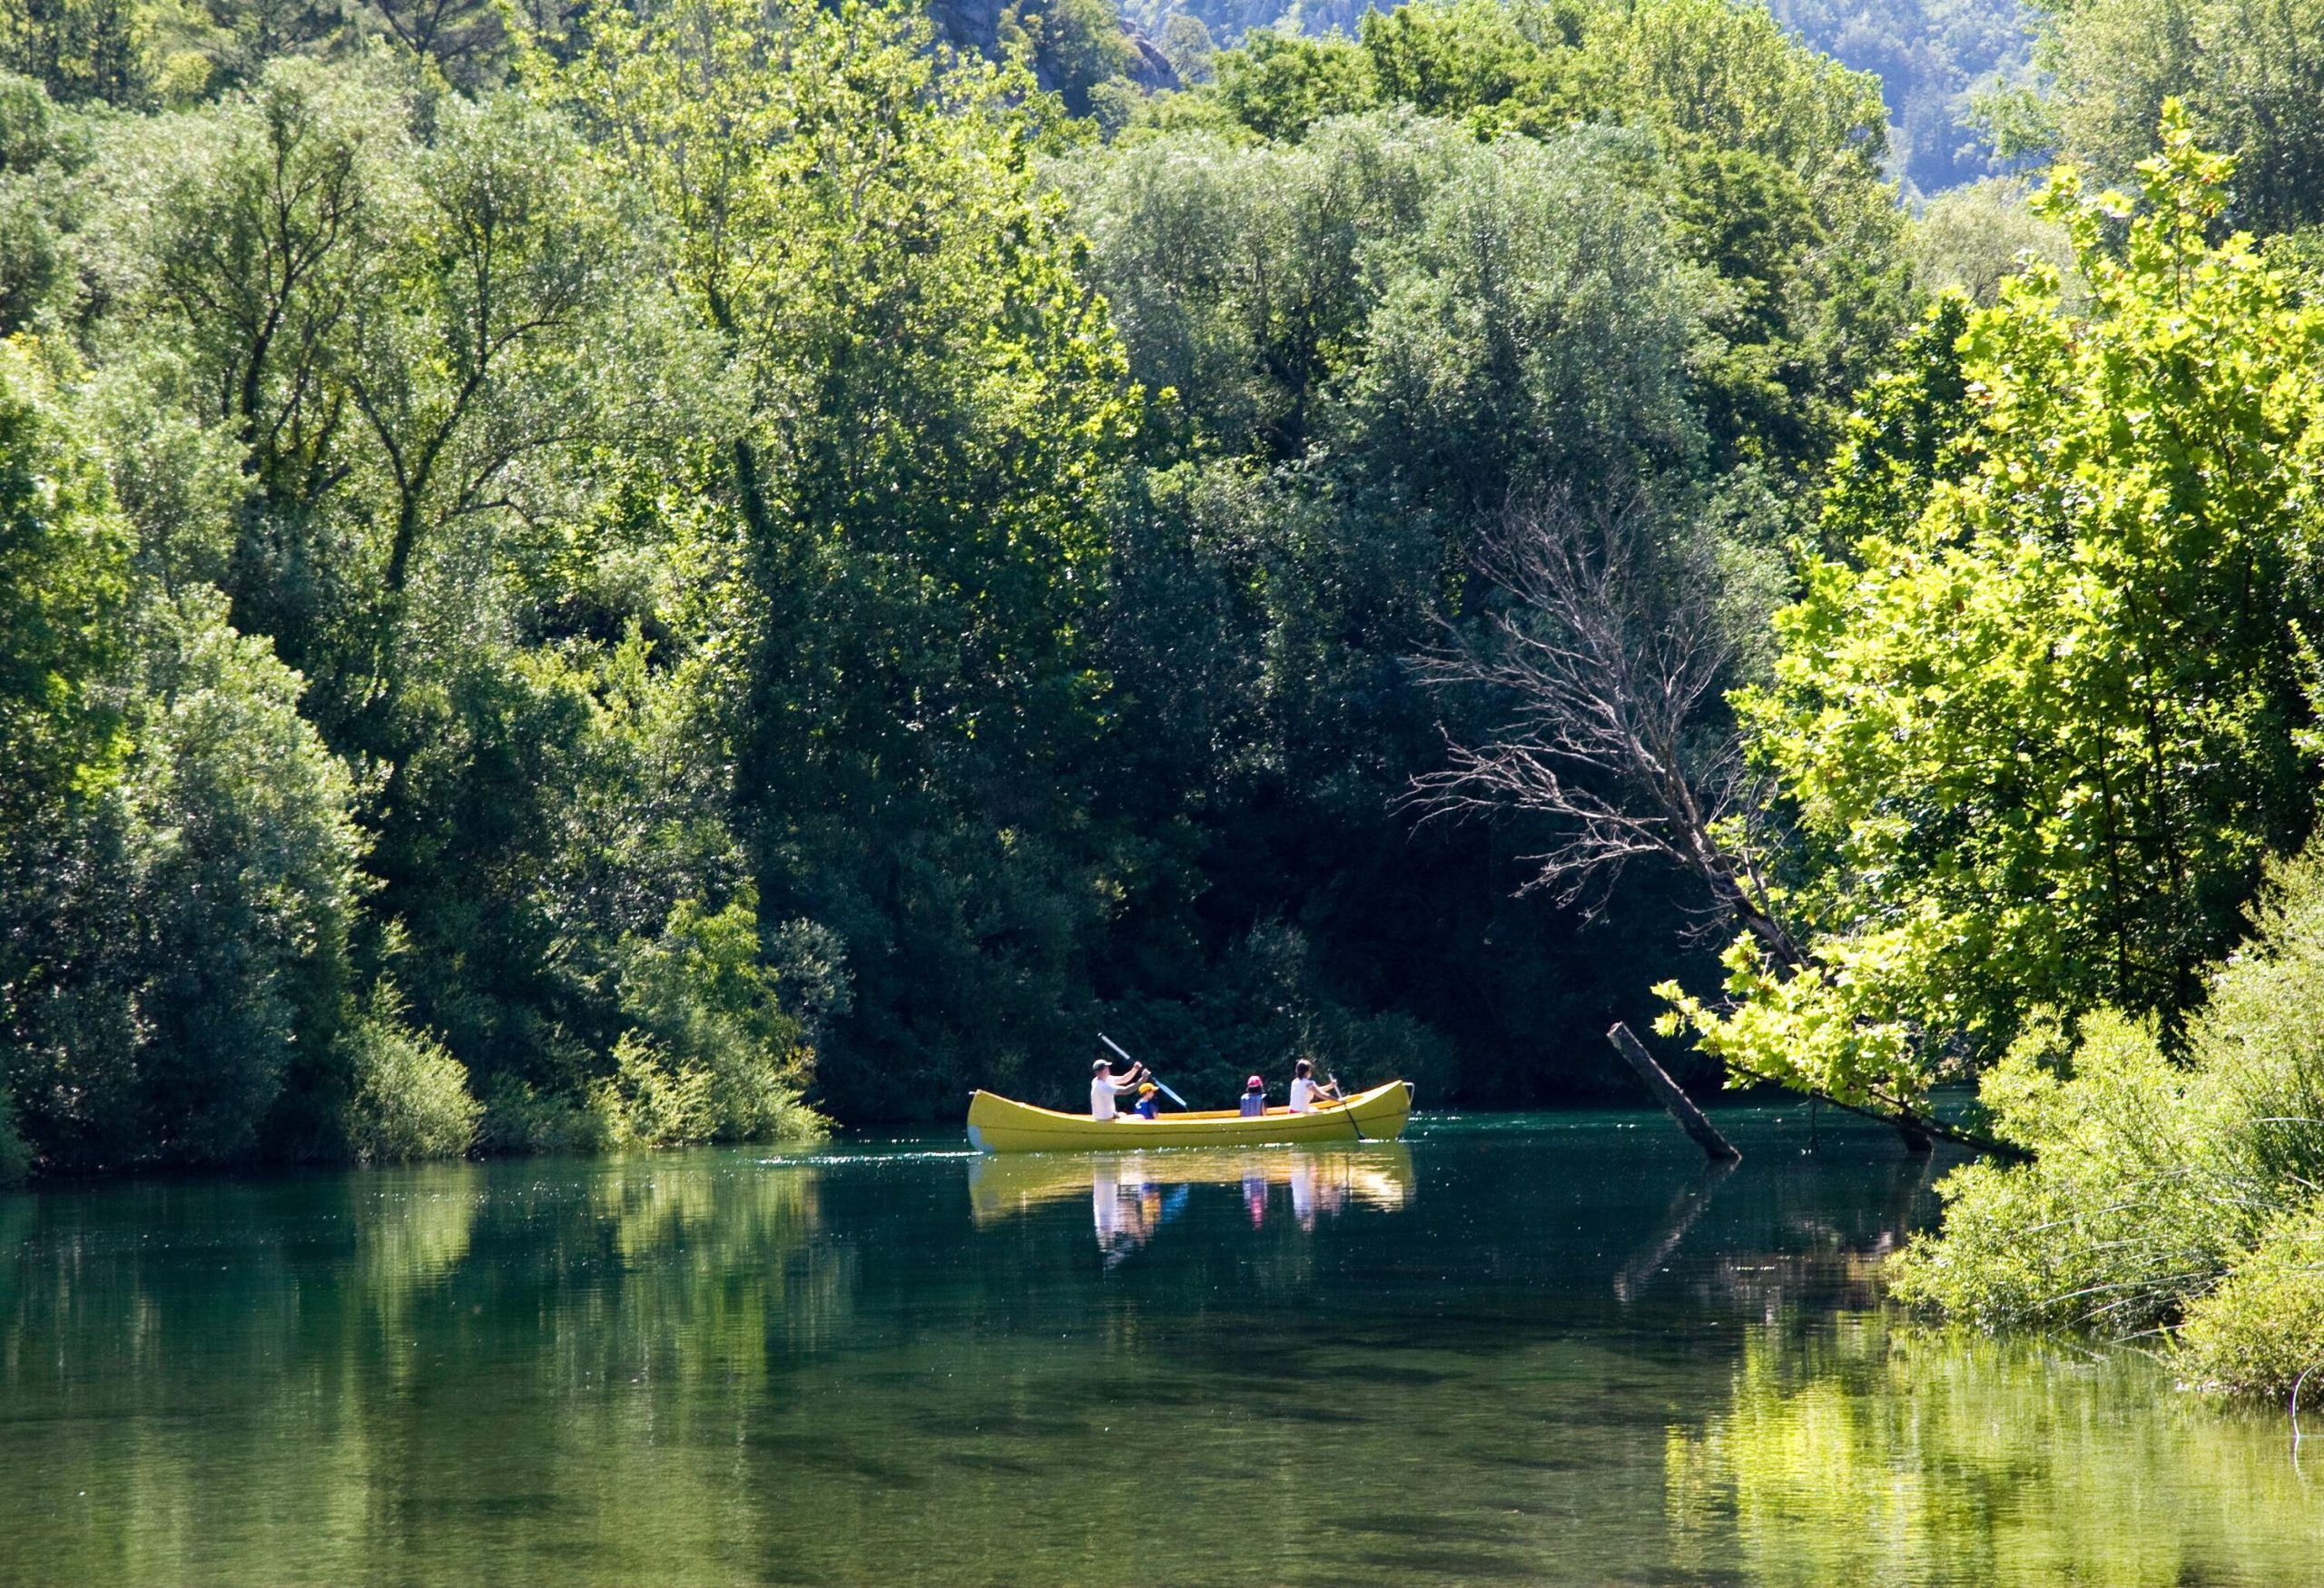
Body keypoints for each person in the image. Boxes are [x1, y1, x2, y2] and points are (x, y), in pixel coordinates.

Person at [1091, 1054, 1146, 1120]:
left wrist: (1135, 1069)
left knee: (1123, 1114)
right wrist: (1142, 1080)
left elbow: (1124, 1079)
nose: (1108, 1068)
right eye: (1107, 1067)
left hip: (1110, 1116)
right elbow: (1126, 1091)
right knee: (1141, 1117)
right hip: (1106, 1120)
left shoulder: (1101, 1079)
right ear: (1103, 1071)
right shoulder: (1102, 1087)